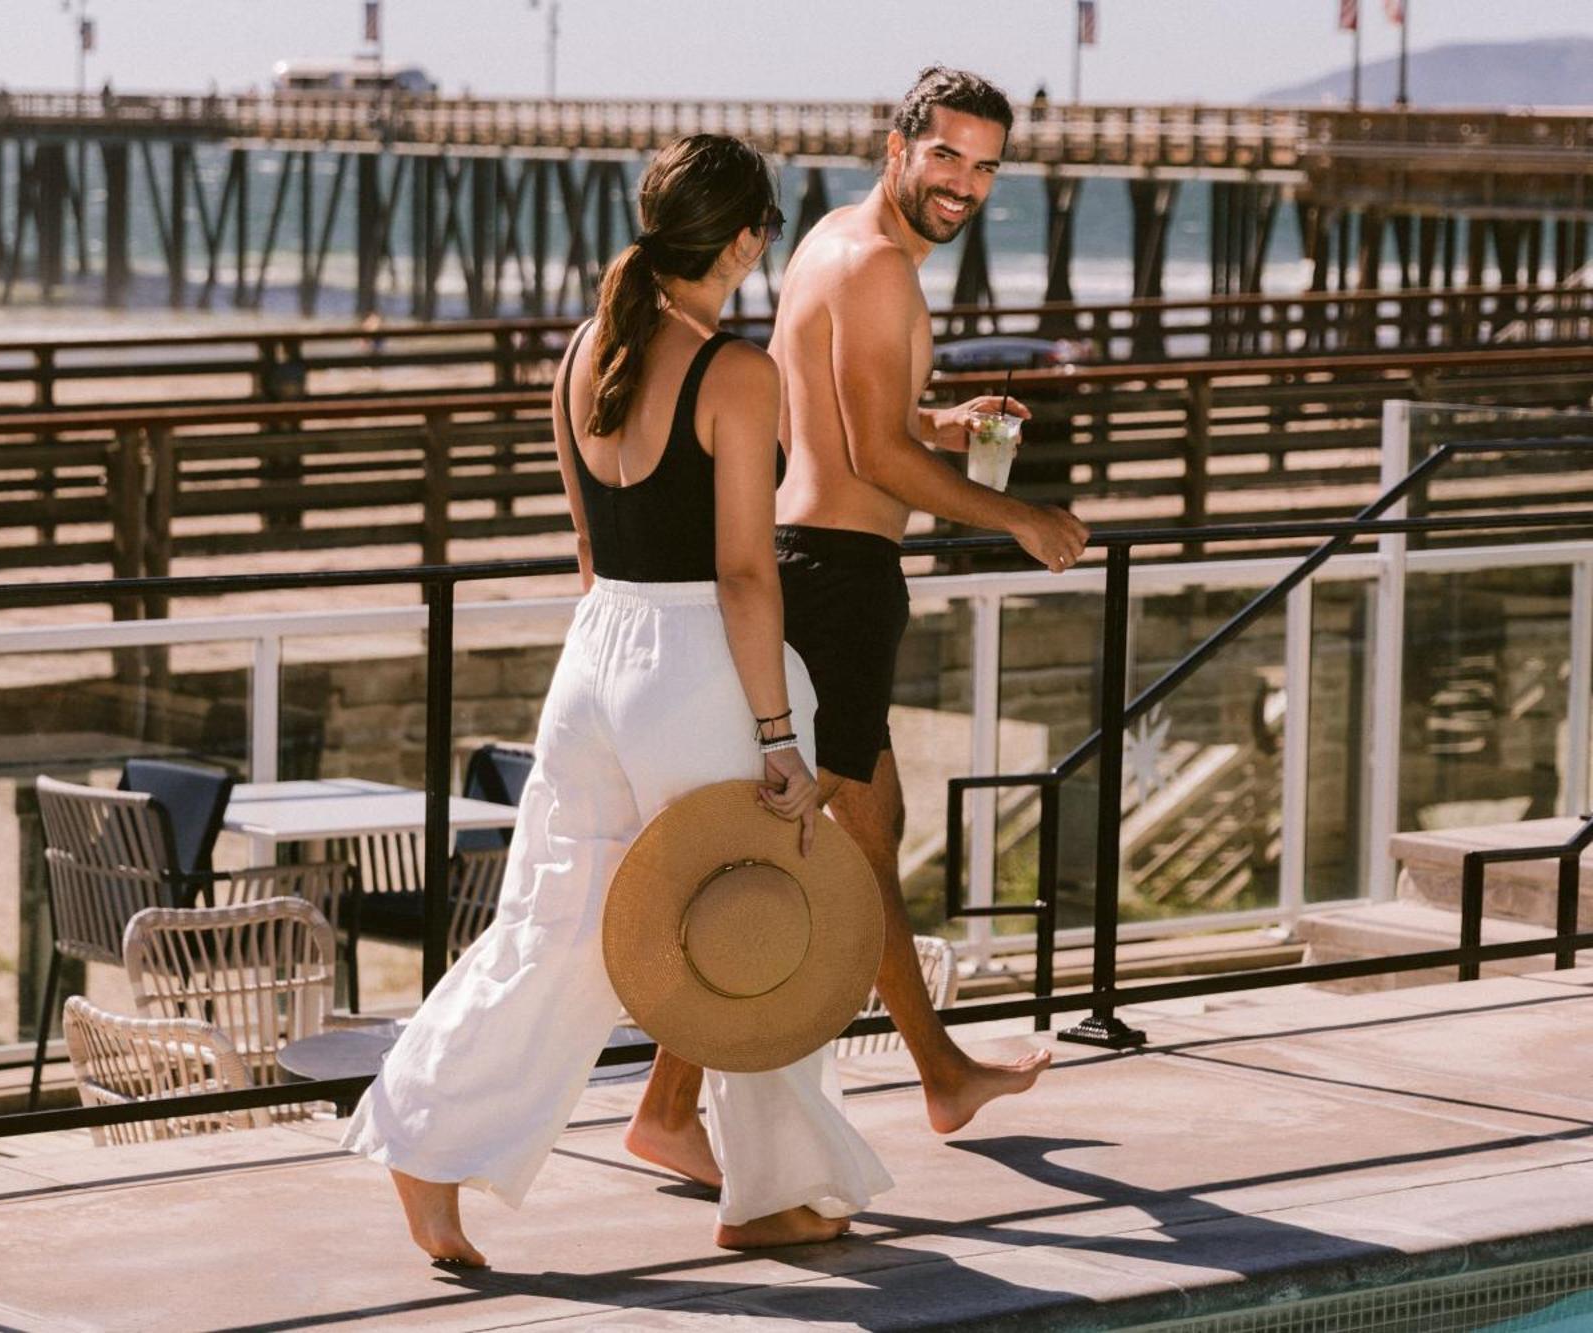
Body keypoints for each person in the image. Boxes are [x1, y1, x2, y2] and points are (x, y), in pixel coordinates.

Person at [341, 133, 892, 1267]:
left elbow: (588, 550)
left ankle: (427, 1138)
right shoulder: (734, 372)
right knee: (757, 922)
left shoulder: (591, 347)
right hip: (698, 660)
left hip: (595, 654)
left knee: (552, 922)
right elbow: (745, 573)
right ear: (742, 239)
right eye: (762, 233)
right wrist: (779, 736)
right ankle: (775, 1189)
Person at [625, 66, 1090, 1186]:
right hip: (838, 580)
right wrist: (1022, 518)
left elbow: (838, 413)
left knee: (866, 837)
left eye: (985, 166)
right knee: (782, 849)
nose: (965, 184)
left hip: (815, 567)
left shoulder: (833, 242)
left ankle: (937, 1073)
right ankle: (671, 1100)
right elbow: (874, 460)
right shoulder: (881, 270)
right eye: (947, 157)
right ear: (897, 146)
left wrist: (943, 415)